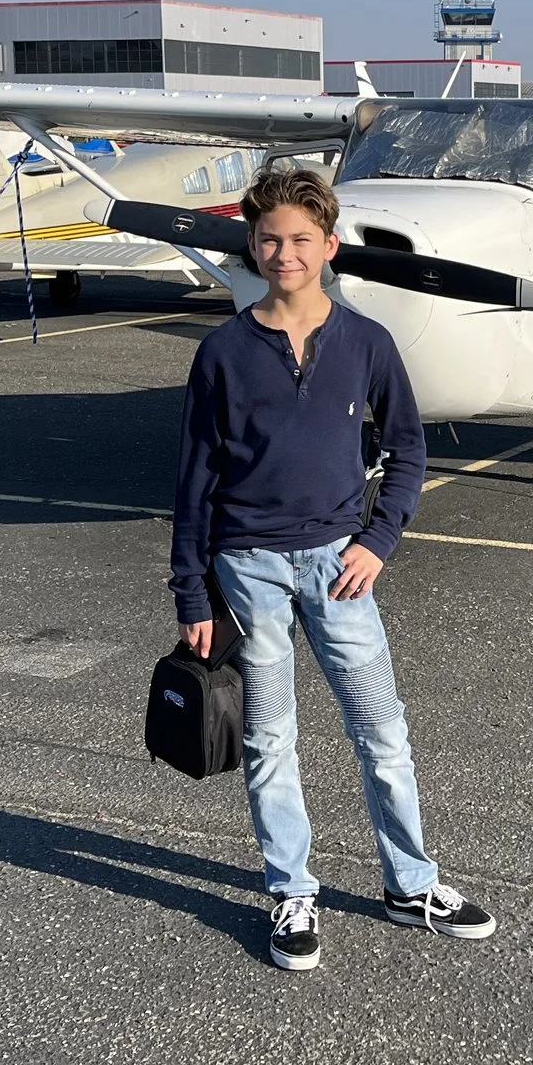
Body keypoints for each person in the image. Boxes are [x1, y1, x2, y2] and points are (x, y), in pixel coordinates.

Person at [171, 164, 497, 971]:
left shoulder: (366, 343)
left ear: (329, 246)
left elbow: (410, 451)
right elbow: (193, 481)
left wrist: (379, 540)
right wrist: (191, 588)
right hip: (247, 569)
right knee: (270, 737)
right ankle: (291, 891)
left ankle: (409, 881)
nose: (285, 252)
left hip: (339, 567)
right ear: (252, 243)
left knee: (382, 731)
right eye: (270, 239)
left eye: (301, 240)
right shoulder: (222, 351)